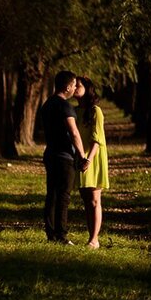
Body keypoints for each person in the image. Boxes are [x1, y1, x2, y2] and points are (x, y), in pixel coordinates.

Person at [39, 71, 90, 243]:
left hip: (50, 154)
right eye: (74, 85)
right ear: (68, 87)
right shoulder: (65, 106)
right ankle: (61, 235)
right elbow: (74, 133)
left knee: (51, 195)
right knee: (63, 197)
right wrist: (82, 156)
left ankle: (51, 233)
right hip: (64, 157)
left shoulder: (47, 104)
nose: (76, 88)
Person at [76, 77, 108, 249]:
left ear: (87, 89)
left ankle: (94, 239)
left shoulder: (96, 111)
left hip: (93, 157)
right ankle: (91, 235)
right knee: (86, 199)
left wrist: (89, 158)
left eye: (78, 85)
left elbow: (97, 138)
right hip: (80, 157)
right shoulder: (74, 111)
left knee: (95, 199)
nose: (75, 88)